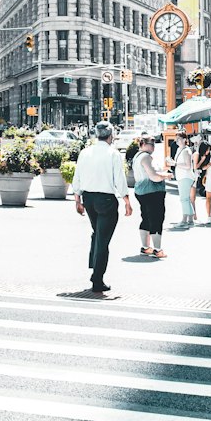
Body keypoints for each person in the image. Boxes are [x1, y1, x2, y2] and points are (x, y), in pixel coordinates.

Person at [70, 121, 132, 295]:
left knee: (98, 233)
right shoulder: (113, 153)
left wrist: (77, 200)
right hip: (106, 200)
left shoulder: (85, 152)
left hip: (88, 198)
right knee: (103, 240)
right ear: (111, 135)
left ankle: (94, 267)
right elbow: (119, 179)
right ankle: (97, 279)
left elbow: (77, 177)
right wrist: (127, 200)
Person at [132, 135, 169, 256]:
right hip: (152, 192)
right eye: (150, 144)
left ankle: (145, 247)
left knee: (146, 219)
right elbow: (153, 176)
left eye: (154, 144)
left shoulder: (137, 156)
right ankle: (157, 249)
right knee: (156, 219)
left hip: (141, 191)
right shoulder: (146, 157)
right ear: (143, 144)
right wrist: (165, 175)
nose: (153, 146)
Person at [172, 133, 198, 226]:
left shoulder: (186, 151)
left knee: (184, 199)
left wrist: (175, 164)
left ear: (184, 139)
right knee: (185, 199)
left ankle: (185, 220)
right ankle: (190, 220)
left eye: (178, 139)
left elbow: (188, 166)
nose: (177, 140)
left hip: (185, 176)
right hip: (182, 176)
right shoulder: (180, 149)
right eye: (176, 139)